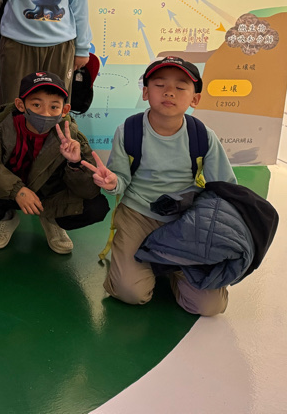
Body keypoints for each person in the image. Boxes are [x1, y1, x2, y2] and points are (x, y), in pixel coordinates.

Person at [87, 57, 236, 316]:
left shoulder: (203, 136)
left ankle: (172, 267)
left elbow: (225, 188)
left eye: (180, 87)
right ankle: (153, 262)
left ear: (195, 99)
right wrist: (111, 183)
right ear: (145, 93)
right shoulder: (129, 131)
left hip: (186, 219)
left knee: (210, 306)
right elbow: (120, 180)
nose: (169, 92)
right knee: (130, 293)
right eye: (159, 84)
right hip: (138, 214)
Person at [0, 72, 109, 254]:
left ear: (64, 110)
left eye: (54, 107)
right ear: (20, 105)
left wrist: (75, 163)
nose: (45, 113)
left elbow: (88, 191)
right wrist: (17, 190)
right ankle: (6, 218)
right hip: (8, 193)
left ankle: (52, 219)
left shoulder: (72, 137)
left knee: (96, 207)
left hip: (47, 198)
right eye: (36, 105)